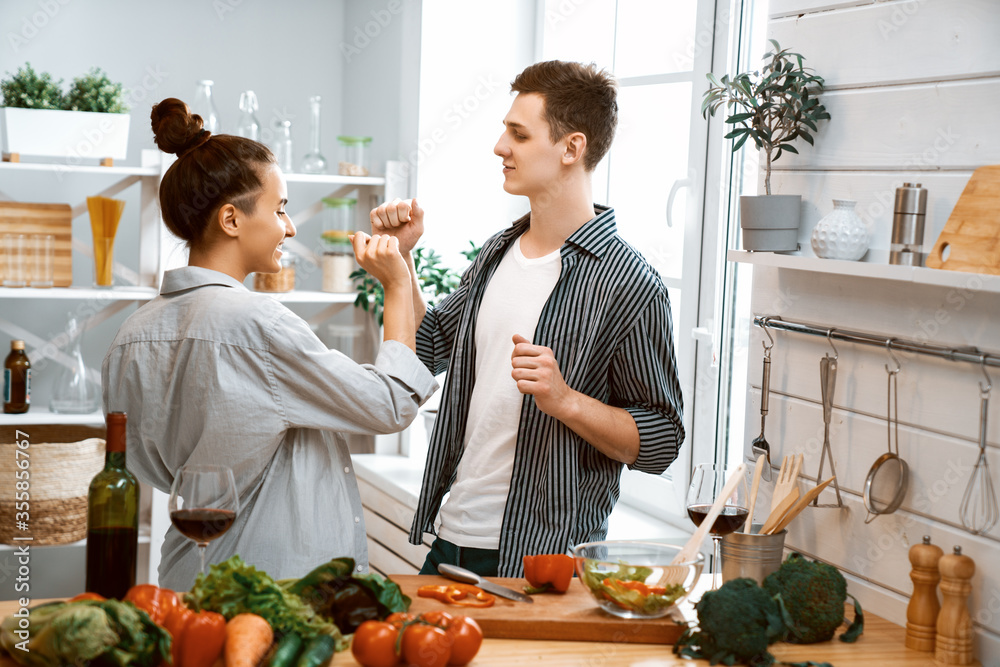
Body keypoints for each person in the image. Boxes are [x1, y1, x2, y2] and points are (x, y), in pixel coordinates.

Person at [102, 98, 437, 590]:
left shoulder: (131, 334)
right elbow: (390, 405)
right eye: (280, 209)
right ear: (232, 219)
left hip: (183, 578)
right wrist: (395, 282)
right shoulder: (259, 324)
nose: (291, 226)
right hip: (271, 588)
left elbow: (143, 463)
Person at [370, 61, 685, 577]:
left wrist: (565, 401)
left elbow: (661, 439)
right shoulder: (497, 252)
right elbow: (426, 348)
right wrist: (402, 261)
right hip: (453, 536)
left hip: (544, 557)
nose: (500, 147)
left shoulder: (630, 284)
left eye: (518, 133)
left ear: (571, 148)